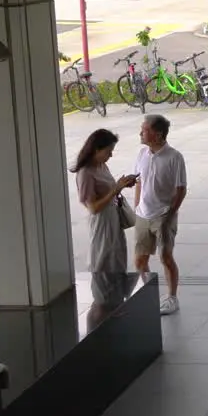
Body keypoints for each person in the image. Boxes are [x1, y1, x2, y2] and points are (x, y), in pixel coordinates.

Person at [71, 129, 138, 329]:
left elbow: (109, 192)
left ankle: (112, 311)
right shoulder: (86, 173)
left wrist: (121, 186)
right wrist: (115, 189)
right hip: (102, 223)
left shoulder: (101, 166)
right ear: (96, 149)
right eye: (108, 151)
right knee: (104, 262)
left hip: (113, 220)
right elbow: (93, 207)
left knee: (116, 260)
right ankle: (97, 324)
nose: (110, 155)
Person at [132, 114, 188, 316]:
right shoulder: (141, 154)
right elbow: (138, 181)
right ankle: (147, 295)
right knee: (140, 260)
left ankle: (172, 298)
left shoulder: (174, 157)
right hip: (143, 215)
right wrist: (137, 205)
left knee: (166, 256)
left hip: (164, 214)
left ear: (157, 134)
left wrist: (170, 215)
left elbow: (180, 189)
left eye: (144, 129)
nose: (140, 132)